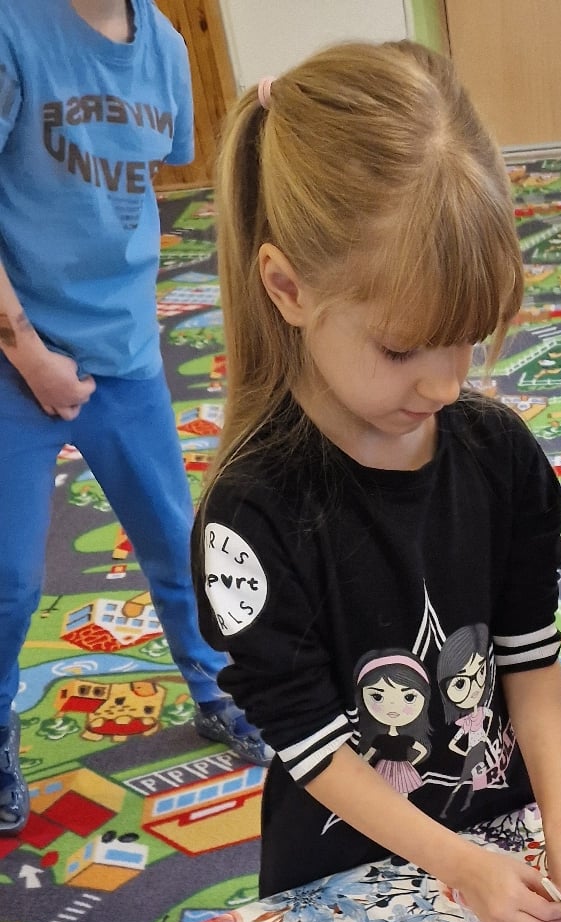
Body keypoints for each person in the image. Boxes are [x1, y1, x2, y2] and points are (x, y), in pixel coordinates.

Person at [193, 40, 561, 922]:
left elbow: (528, 656)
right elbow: (309, 743)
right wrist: (456, 865)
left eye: (466, 338)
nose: (444, 383)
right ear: (288, 288)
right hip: (346, 878)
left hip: (500, 839)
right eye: (402, 348)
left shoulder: (500, 457)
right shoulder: (251, 516)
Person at [0, 0, 269, 838]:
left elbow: (163, 173)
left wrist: (269, 122)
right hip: (15, 354)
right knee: (10, 579)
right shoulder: (13, 29)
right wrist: (27, 350)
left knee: (177, 543)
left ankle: (215, 687)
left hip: (124, 352)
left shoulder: (165, 46)